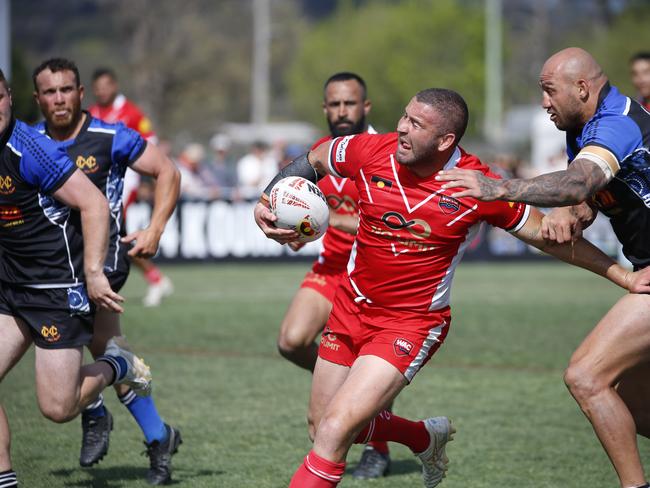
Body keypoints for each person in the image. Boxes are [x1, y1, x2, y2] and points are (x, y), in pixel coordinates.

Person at [254, 86, 650, 487]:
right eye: (405, 117)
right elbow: (315, 159)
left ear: (445, 141)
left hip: (408, 325)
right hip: (349, 309)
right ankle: (423, 437)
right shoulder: (370, 150)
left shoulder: (477, 186)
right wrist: (268, 199)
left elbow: (546, 237)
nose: (402, 129)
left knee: (335, 430)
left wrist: (623, 275)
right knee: (321, 425)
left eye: (416, 124)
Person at [435, 47, 650, 488]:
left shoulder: (617, 123)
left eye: (549, 92)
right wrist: (576, 213)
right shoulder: (584, 127)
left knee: (587, 377)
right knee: (630, 398)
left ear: (582, 88)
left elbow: (580, 180)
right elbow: (599, 190)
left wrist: (498, 188)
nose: (544, 103)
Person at [32, 58, 182, 485]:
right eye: (49, 92)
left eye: (66, 90)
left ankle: (98, 415)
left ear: (81, 94)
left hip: (100, 266)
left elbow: (167, 171)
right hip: (44, 268)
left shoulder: (110, 136)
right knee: (108, 354)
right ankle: (157, 437)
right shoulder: (29, 141)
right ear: (37, 98)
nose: (59, 99)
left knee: (96, 356)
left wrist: (155, 228)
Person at [0, 68, 153, 488]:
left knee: (57, 407)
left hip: (57, 290)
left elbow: (95, 205)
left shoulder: (31, 149)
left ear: (10, 97)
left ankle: (118, 364)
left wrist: (93, 274)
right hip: (10, 289)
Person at [276, 72, 392, 479]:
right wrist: (298, 230)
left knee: (365, 364)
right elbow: (310, 212)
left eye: (350, 104)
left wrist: (332, 219)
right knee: (291, 341)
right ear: (325, 109)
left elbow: (385, 221)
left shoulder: (386, 154)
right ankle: (352, 385)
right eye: (335, 104)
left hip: (371, 276)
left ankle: (377, 446)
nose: (342, 112)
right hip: (330, 269)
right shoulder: (318, 154)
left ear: (366, 108)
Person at [88, 67, 173, 307]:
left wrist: (147, 181)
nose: (102, 91)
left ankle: (155, 279)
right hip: (98, 183)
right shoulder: (92, 113)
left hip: (126, 182)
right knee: (115, 237)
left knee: (114, 235)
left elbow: (152, 147)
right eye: (98, 87)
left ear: (114, 86)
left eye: (106, 86)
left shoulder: (131, 113)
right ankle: (155, 278)